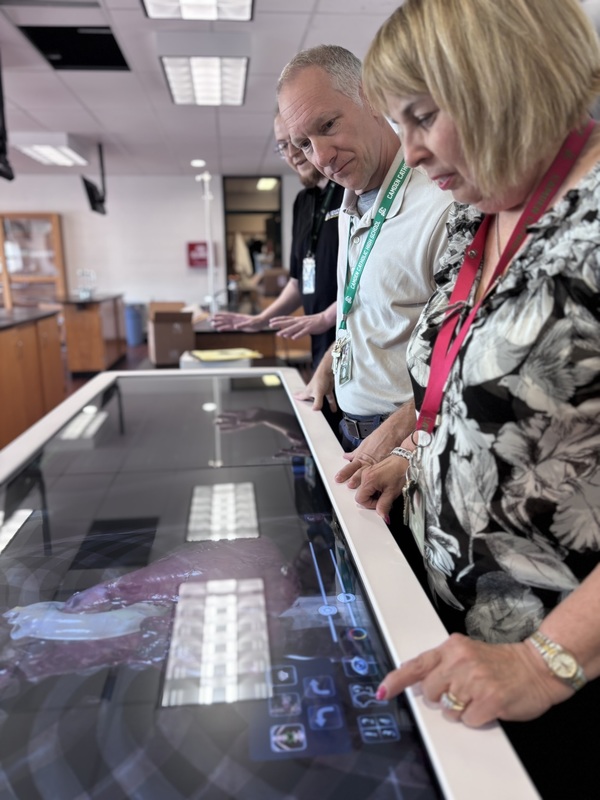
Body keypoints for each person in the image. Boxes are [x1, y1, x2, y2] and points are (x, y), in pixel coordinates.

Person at [361, 1, 600, 796]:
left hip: (559, 676)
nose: (411, 151)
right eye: (398, 126)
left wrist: (545, 661)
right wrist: (419, 456)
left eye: (422, 116)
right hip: (454, 634)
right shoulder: (480, 215)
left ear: (503, 79)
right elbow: (467, 395)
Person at [276, 45, 453, 477]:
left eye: (328, 125)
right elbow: (365, 309)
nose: (321, 157)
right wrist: (330, 362)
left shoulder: (443, 202)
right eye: (303, 144)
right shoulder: (347, 202)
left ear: (370, 96)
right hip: (350, 432)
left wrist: (401, 435)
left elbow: (465, 357)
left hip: (410, 450)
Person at [212, 113, 342, 370]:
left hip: (351, 336)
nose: (292, 153)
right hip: (319, 340)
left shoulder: (350, 192)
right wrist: (261, 320)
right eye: (283, 145)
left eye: (297, 141)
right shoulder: (303, 202)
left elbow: (370, 279)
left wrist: (328, 317)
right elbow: (298, 282)